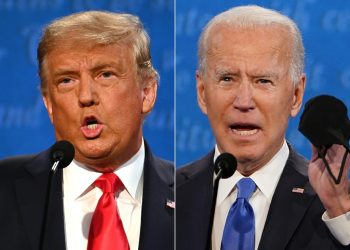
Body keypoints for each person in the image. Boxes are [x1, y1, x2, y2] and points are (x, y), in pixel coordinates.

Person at [176, 5, 350, 250]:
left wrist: (341, 210)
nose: (244, 101)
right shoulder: (167, 196)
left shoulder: (332, 206)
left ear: (296, 95)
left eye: (263, 81)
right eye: (227, 79)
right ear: (202, 93)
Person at [0, 11, 174, 250]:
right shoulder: (5, 190)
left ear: (147, 93)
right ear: (49, 103)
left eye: (105, 75)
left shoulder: (194, 196)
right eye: (67, 80)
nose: (85, 96)